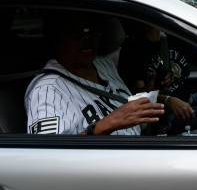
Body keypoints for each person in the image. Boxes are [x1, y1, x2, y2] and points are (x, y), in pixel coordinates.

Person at [26, 13, 165, 135]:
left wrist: (153, 92)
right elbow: (47, 154)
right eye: (77, 34)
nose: (87, 41)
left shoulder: (104, 64)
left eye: (93, 32)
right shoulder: (47, 90)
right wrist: (107, 124)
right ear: (58, 37)